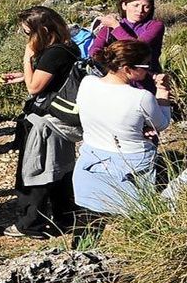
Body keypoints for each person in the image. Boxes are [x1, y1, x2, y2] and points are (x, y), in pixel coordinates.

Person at [0, 6, 81, 238]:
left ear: (42, 30)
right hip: (59, 119)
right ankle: (66, 217)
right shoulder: (68, 47)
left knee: (36, 170)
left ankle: (30, 223)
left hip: (45, 122)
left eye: (28, 33)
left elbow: (34, 87)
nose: (27, 38)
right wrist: (22, 74)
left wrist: (27, 60)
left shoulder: (54, 53)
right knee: (60, 170)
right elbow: (52, 77)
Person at [72, 40, 173, 214]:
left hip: (92, 157)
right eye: (145, 65)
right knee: (137, 217)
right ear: (127, 69)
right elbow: (161, 124)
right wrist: (163, 93)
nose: (149, 69)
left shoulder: (87, 82)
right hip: (131, 163)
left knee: (90, 220)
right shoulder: (141, 97)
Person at [91, 0, 166, 88]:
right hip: (116, 81)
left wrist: (116, 27)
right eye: (136, 5)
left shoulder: (155, 26)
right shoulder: (110, 27)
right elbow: (94, 50)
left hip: (145, 80)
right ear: (124, 5)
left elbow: (138, 47)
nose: (140, 10)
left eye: (146, 7)